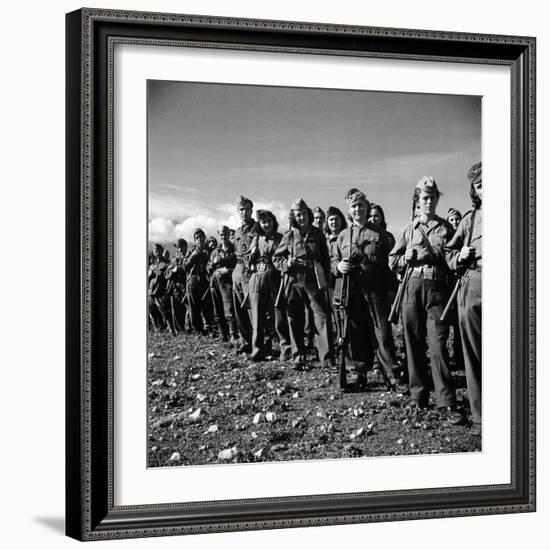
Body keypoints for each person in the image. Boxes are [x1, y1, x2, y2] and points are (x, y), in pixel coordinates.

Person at [389, 177, 464, 425]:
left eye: (432, 197)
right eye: (424, 198)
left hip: (437, 290)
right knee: (413, 342)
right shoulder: (409, 230)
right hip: (412, 287)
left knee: (439, 344)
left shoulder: (446, 229)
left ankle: (446, 401)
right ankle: (418, 395)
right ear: (417, 202)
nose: (429, 201)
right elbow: (392, 259)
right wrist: (404, 259)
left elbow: (454, 258)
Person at [332, 191, 397, 389]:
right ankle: (360, 373)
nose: (357, 209)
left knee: (382, 332)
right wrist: (337, 267)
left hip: (375, 287)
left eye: (361, 205)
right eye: (353, 207)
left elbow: (390, 265)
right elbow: (333, 260)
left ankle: (391, 374)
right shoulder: (342, 236)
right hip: (351, 289)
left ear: (366, 207)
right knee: (355, 331)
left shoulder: (380, 234)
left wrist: (391, 292)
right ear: (349, 211)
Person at [273, 198, 335, 369]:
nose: (302, 218)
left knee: (321, 316)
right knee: (294, 318)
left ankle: (327, 357)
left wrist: (326, 282)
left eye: (304, 214)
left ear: (308, 214)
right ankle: (298, 357)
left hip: (313, 280)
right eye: (298, 215)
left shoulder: (318, 234)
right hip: (294, 281)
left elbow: (325, 260)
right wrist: (287, 264)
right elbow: (276, 258)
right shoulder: (289, 236)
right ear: (294, 217)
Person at [445, 162, 483, 434]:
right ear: (474, 190)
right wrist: (458, 257)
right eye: (480, 185)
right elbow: (448, 253)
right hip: (474, 284)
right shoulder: (469, 220)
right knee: (473, 353)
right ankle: (482, 415)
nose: (486, 188)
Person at [247, 210, 291, 361]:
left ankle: (286, 350)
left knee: (279, 316)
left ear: (274, 222)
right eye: (263, 222)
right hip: (257, 279)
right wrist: (252, 255)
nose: (267, 224)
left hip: (275, 277)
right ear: (259, 224)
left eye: (269, 221)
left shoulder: (280, 238)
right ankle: (258, 351)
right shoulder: (256, 239)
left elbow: (285, 256)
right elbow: (248, 259)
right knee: (257, 317)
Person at [232, 196, 256, 352]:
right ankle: (245, 341)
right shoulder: (237, 232)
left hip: (250, 270)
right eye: (241, 209)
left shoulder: (257, 228)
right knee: (239, 309)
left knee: (252, 308)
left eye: (247, 209)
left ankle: (259, 343)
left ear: (251, 210)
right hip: (238, 270)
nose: (244, 212)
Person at [207, 225, 238, 343]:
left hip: (227, 283)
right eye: (221, 234)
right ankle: (223, 334)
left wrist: (228, 271)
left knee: (229, 309)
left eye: (225, 234)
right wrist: (213, 263)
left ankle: (233, 335)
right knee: (217, 309)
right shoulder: (215, 252)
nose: (223, 236)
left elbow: (238, 267)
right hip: (214, 284)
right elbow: (208, 268)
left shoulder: (234, 249)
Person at [445, 207, 466, 371]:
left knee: (461, 323)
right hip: (446, 285)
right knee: (444, 323)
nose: (454, 222)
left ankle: (460, 356)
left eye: (456, 219)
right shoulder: (445, 238)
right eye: (451, 220)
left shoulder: (465, 236)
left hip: (461, 283)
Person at [183, 228, 211, 334]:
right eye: (196, 238)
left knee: (207, 305)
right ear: (194, 240)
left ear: (205, 238)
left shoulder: (209, 250)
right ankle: (198, 329)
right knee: (194, 307)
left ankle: (208, 327)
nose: (199, 239)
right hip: (193, 281)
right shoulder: (191, 252)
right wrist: (193, 255)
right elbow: (185, 266)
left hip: (206, 280)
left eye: (201, 237)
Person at [148, 243, 175, 334]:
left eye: (158, 249)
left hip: (161, 293)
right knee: (153, 313)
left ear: (161, 251)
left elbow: (170, 277)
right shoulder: (152, 265)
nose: (156, 251)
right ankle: (158, 331)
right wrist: (149, 275)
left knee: (165, 313)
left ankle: (172, 330)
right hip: (151, 293)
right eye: (154, 250)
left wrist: (167, 290)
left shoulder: (167, 263)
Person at [165, 238, 188, 333]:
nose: (179, 249)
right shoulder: (173, 260)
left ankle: (189, 328)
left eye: (180, 247)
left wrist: (177, 269)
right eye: (177, 248)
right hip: (175, 287)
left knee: (188, 308)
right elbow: (166, 274)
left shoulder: (189, 257)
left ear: (185, 246)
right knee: (176, 309)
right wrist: (172, 271)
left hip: (186, 285)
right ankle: (180, 330)